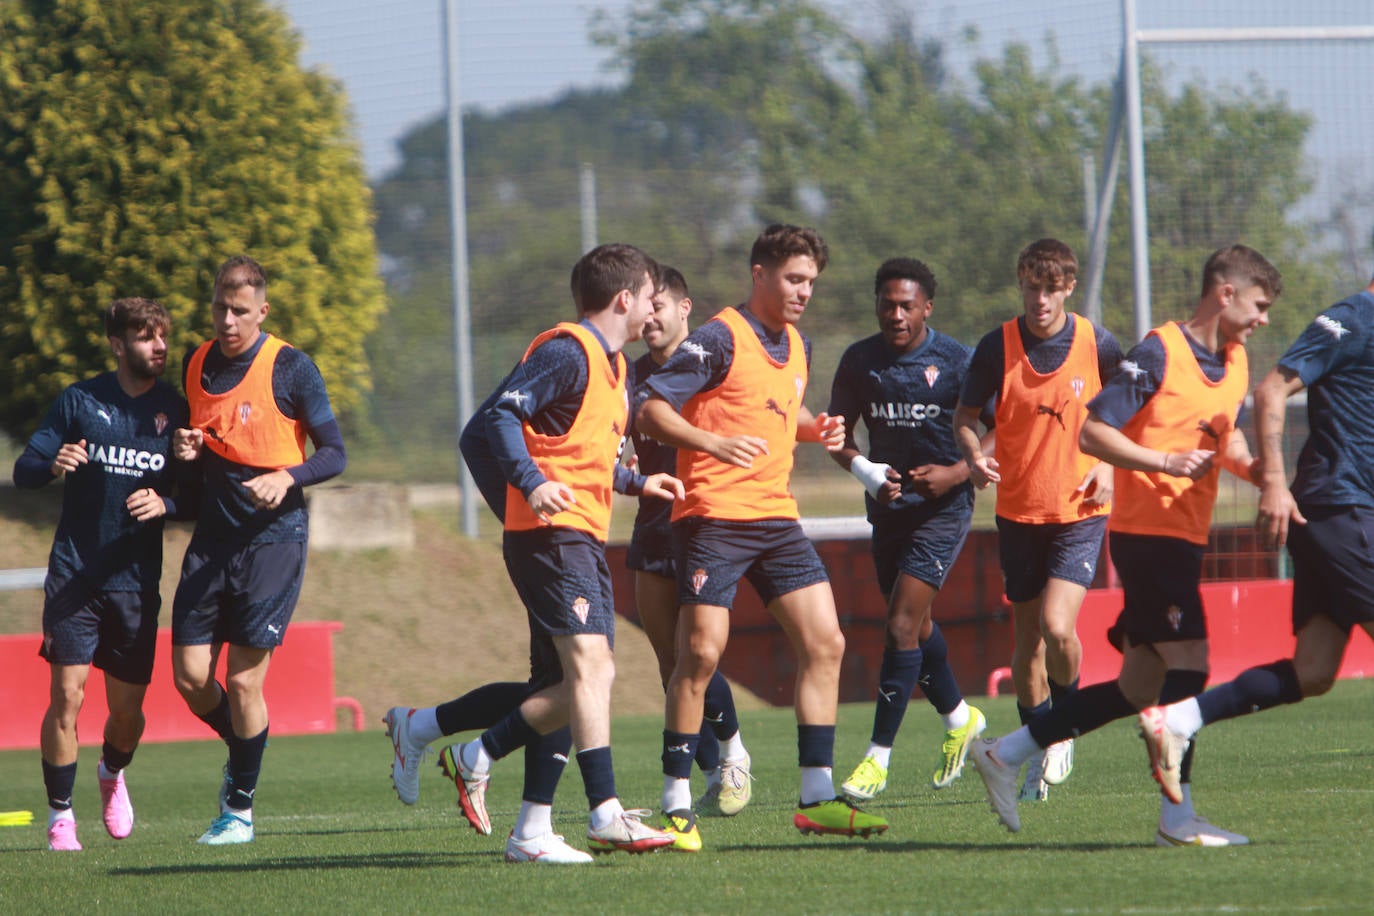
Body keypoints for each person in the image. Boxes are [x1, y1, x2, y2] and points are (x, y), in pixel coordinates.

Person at [970, 244, 1281, 842]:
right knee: (1190, 667)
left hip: (1186, 535)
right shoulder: (1159, 351)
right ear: (1225, 293)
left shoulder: (1236, 360)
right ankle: (1177, 816)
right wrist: (1164, 461)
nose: (1263, 317)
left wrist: (1261, 470)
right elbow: (1093, 429)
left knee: (1138, 686)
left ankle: (1004, 754)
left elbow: (1226, 438)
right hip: (1148, 536)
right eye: (1259, 304)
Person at [636, 224, 889, 848]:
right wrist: (711, 442)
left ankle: (816, 797)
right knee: (700, 653)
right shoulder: (720, 337)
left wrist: (816, 428)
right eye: (793, 279)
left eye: (810, 282)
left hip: (775, 518)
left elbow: (779, 409)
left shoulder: (796, 344)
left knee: (826, 642)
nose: (804, 291)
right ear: (760, 274)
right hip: (714, 516)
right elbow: (651, 408)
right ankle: (674, 803)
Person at [437, 243, 681, 864]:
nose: (655, 307)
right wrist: (531, 484)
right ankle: (603, 813)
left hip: (582, 537)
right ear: (624, 298)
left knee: (579, 680)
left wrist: (635, 482)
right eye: (650, 295)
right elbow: (498, 420)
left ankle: (526, 823)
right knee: (592, 673)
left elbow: (582, 451)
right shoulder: (566, 352)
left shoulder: (614, 367)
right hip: (553, 539)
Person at [1136, 272, 1374, 844]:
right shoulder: (1353, 318)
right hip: (1337, 506)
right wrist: (1273, 482)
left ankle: (1181, 719)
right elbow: (1271, 389)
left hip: (1343, 512)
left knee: (1314, 671)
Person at [169, 256, 347, 845]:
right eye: (220, 307)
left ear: (262, 311)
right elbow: (200, 451)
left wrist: (288, 476)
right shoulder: (196, 363)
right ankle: (244, 747)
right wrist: (187, 450)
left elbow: (335, 453)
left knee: (246, 683)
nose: (227, 320)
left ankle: (238, 809)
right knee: (191, 678)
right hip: (211, 542)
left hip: (273, 542)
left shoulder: (291, 367)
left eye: (240, 311)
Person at [13, 298, 192, 851]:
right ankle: (59, 816)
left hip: (135, 583)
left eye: (162, 336)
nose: (158, 346)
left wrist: (166, 502)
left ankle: (112, 771)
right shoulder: (80, 400)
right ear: (118, 344)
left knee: (127, 712)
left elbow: (197, 495)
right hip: (76, 575)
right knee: (67, 696)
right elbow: (24, 472)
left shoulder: (176, 410)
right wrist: (52, 464)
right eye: (145, 337)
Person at [953, 238, 1123, 801]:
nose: (1041, 299)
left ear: (1069, 287)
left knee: (1057, 626)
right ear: (1021, 283)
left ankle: (1065, 727)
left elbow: (1134, 410)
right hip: (1019, 513)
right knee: (1025, 645)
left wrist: (1110, 468)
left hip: (1079, 510)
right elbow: (965, 417)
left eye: (1051, 289)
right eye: (1032, 287)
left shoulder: (1097, 344)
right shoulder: (995, 346)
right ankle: (1036, 741)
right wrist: (974, 456)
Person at [828, 258, 992, 802]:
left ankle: (877, 759)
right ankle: (960, 719)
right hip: (889, 511)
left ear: (926, 308)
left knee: (899, 624)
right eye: (887, 304)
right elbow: (837, 435)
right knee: (918, 629)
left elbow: (999, 430)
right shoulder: (859, 362)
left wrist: (956, 472)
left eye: (906, 305)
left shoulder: (956, 360)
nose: (895, 315)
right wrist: (866, 471)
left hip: (943, 511)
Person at [627, 267, 753, 825]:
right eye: (644, 307)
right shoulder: (626, 379)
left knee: (695, 655)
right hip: (652, 523)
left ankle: (733, 754)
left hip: (704, 524)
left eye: (661, 306)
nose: (650, 317)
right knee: (667, 661)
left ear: (685, 309)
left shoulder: (711, 367)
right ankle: (708, 772)